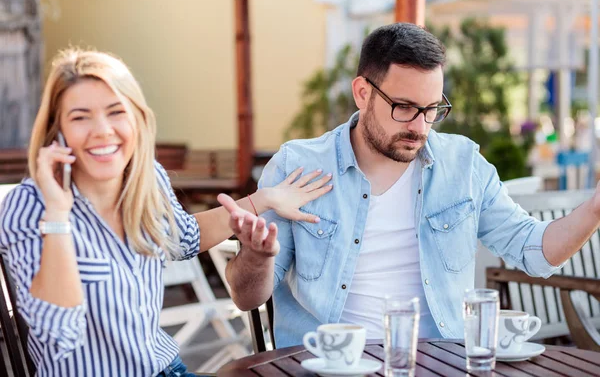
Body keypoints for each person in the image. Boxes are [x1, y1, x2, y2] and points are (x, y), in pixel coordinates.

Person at [220, 22, 600, 348]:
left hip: (440, 362)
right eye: (404, 107)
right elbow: (247, 298)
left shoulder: (463, 165)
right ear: (363, 93)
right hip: (326, 364)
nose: (420, 127)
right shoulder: (296, 167)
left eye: (432, 109)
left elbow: (534, 252)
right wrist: (256, 257)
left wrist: (595, 209)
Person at [0, 49, 332, 377]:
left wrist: (266, 198)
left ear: (137, 119)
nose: (101, 130)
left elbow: (186, 237)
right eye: (80, 116)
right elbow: (58, 336)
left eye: (116, 112)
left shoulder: (145, 179)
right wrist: (58, 214)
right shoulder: (32, 207)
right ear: (57, 132)